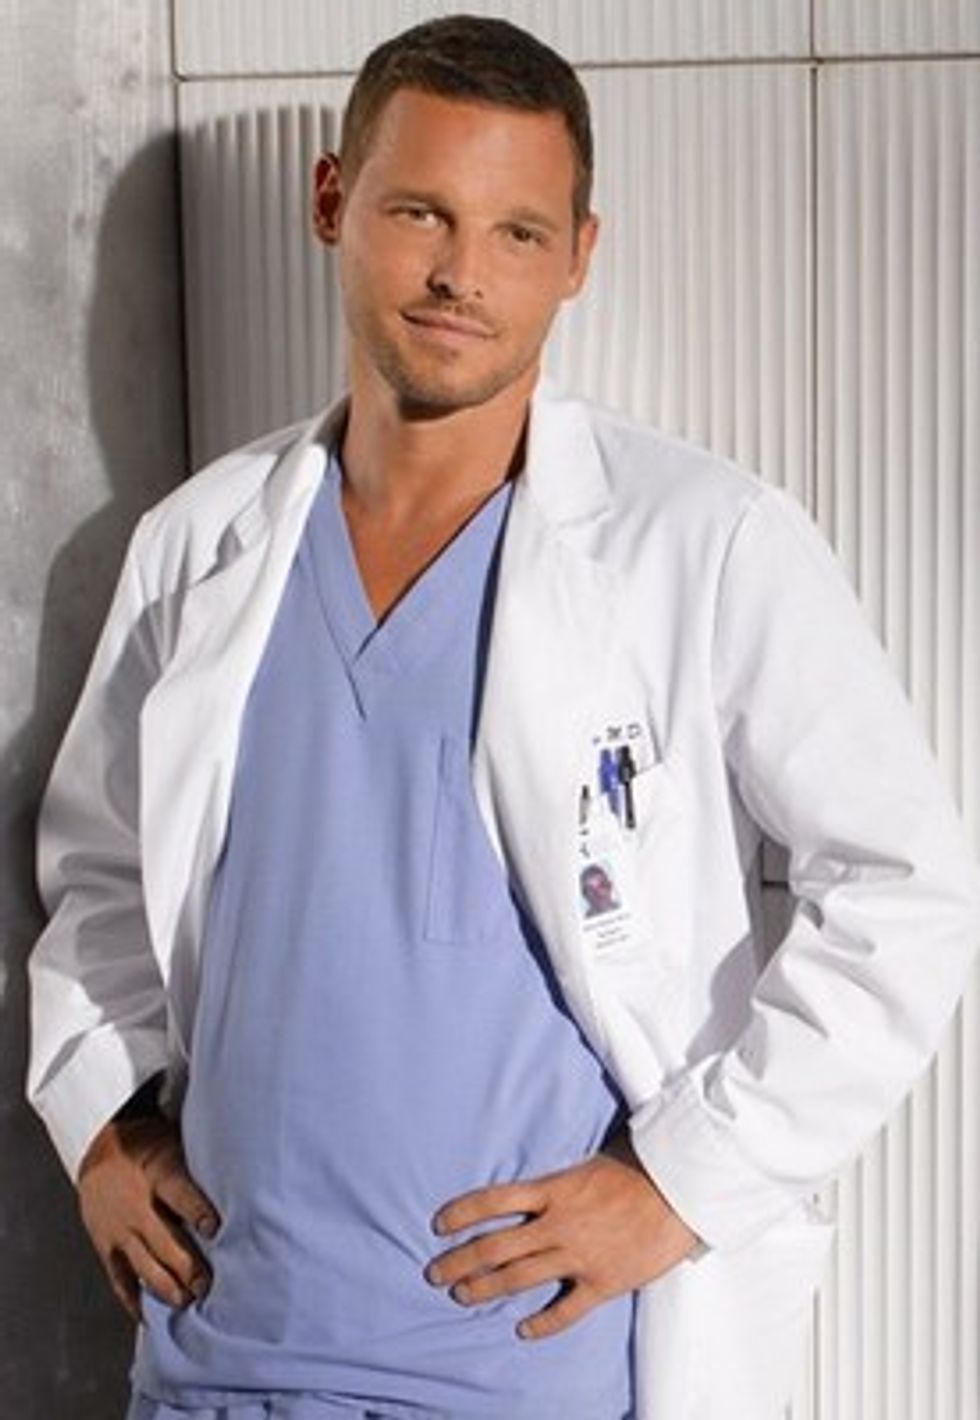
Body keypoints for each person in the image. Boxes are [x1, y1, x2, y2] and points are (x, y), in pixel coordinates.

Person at [27, 15, 980, 1420]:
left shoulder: (702, 543)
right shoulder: (200, 545)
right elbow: (101, 876)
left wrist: (682, 1185)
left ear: (578, 255)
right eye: (420, 212)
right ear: (332, 201)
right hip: (220, 1361)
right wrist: (103, 1128)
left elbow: (907, 889)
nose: (461, 275)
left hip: (534, 1375)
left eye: (517, 233)